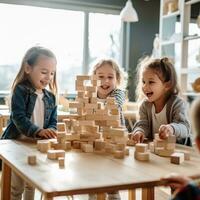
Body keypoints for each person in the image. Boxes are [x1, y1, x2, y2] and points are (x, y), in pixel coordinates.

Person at [1, 46, 58, 200]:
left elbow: (53, 120)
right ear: (27, 68)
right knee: (16, 186)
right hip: (17, 144)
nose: (48, 77)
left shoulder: (51, 97)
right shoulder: (20, 90)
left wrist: (51, 130)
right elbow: (18, 118)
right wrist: (38, 131)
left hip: (36, 146)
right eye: (44, 72)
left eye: (52, 73)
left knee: (31, 184)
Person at [129, 57, 192, 146]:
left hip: (178, 150)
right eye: (143, 82)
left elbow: (185, 127)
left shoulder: (177, 104)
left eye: (151, 82)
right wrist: (139, 131)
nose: (145, 87)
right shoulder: (145, 105)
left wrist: (171, 129)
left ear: (167, 85)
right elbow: (143, 124)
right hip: (156, 150)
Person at [89, 58, 126, 200]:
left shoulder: (117, 94)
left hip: (114, 143)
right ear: (93, 79)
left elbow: (115, 104)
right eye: (100, 77)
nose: (105, 81)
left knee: (113, 182)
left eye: (110, 77)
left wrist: (101, 108)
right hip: (94, 144)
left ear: (117, 79)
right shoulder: (90, 95)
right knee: (93, 182)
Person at [161, 97, 200, 200]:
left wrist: (190, 189)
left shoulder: (187, 194)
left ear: (197, 144)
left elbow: (184, 127)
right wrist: (192, 186)